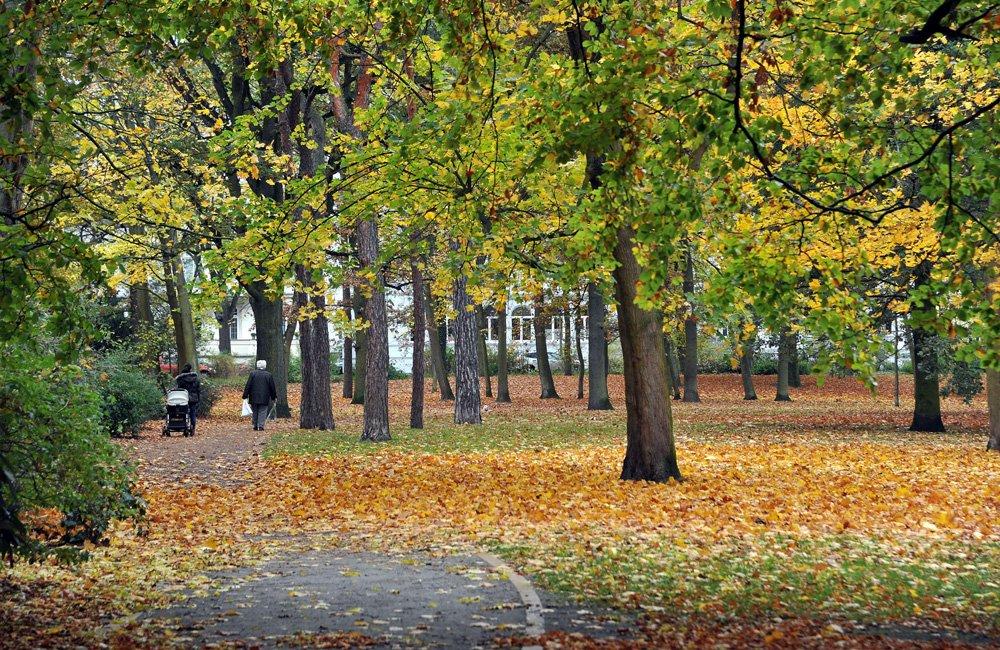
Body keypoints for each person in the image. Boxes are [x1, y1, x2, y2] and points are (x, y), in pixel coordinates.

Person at [243, 359, 277, 431]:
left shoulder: (253, 374)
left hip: (253, 396)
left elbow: (248, 385)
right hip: (264, 396)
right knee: (263, 411)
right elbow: (272, 387)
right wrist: (273, 397)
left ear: (257, 365)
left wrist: (245, 395)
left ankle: (255, 425)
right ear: (265, 366)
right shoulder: (268, 375)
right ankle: (261, 426)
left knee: (255, 410)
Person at [174, 363, 201, 434]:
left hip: (183, 399)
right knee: (193, 413)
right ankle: (192, 429)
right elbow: (198, 390)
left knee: (183, 413)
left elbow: (178, 389)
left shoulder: (181, 379)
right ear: (190, 369)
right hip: (193, 398)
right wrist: (198, 398)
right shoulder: (195, 379)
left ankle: (184, 427)